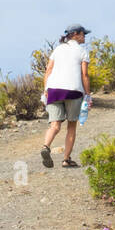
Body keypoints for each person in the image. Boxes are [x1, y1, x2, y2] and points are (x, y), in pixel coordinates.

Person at [40, 25, 91, 168]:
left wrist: (46, 89)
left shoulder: (58, 49)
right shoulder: (82, 51)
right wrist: (88, 94)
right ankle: (66, 159)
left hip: (54, 90)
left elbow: (48, 70)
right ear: (75, 34)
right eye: (83, 34)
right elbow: (84, 75)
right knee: (71, 125)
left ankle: (45, 146)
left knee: (55, 125)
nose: (85, 37)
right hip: (73, 91)